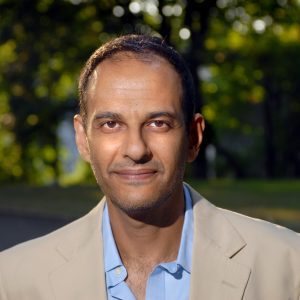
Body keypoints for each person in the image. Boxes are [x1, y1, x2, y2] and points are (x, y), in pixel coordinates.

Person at [0, 34, 299, 300]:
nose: (136, 149)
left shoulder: (289, 267)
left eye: (159, 123)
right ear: (83, 139)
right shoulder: (13, 282)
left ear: (193, 137)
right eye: (111, 124)